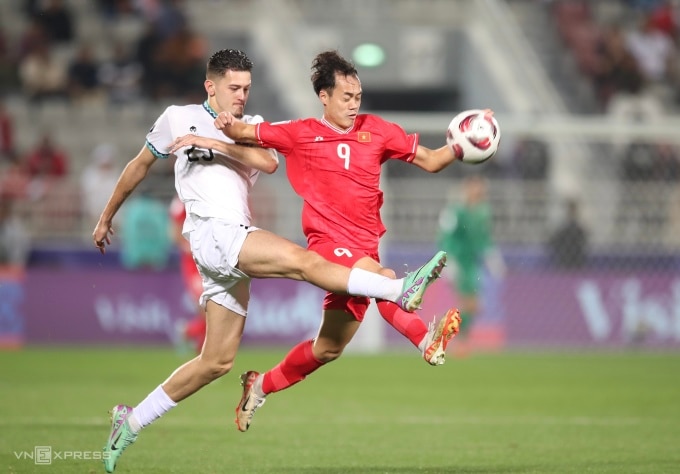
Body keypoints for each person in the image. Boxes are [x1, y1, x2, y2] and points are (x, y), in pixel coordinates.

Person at [93, 48, 444, 473]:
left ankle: (128, 422)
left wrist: (215, 140)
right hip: (212, 233)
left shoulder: (252, 127)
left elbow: (267, 161)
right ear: (211, 86)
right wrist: (107, 215)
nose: (241, 95)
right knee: (302, 261)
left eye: (246, 88)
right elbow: (139, 165)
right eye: (233, 88)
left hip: (232, 244)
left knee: (217, 361)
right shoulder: (175, 117)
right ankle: (397, 290)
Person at [170, 49, 467, 433]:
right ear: (324, 96)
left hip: (364, 246)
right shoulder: (301, 132)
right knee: (385, 278)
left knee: (328, 348)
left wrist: (463, 146)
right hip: (328, 247)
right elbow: (248, 133)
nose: (353, 104)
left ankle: (258, 386)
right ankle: (425, 338)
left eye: (357, 97)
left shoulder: (378, 130)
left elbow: (432, 160)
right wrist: (227, 123)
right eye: (345, 97)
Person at [436, 175, 505, 357]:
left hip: (473, 263)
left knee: (473, 306)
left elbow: (484, 239)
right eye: (474, 187)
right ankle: (459, 341)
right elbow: (445, 237)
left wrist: (492, 257)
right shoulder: (455, 211)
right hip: (458, 261)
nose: (478, 191)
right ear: (466, 189)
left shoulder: (483, 212)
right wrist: (448, 261)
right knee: (471, 304)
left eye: (480, 188)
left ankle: (447, 333)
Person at [169, 194, 206, 353]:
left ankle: (190, 335)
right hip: (192, 264)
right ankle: (189, 333)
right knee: (208, 309)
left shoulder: (206, 197)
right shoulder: (181, 202)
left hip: (210, 261)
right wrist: (189, 247)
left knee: (214, 313)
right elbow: (174, 233)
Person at [547, 198, 588, 269]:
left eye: (572, 209)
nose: (570, 212)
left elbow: (583, 240)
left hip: (577, 258)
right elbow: (553, 241)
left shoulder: (579, 227)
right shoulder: (561, 226)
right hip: (563, 258)